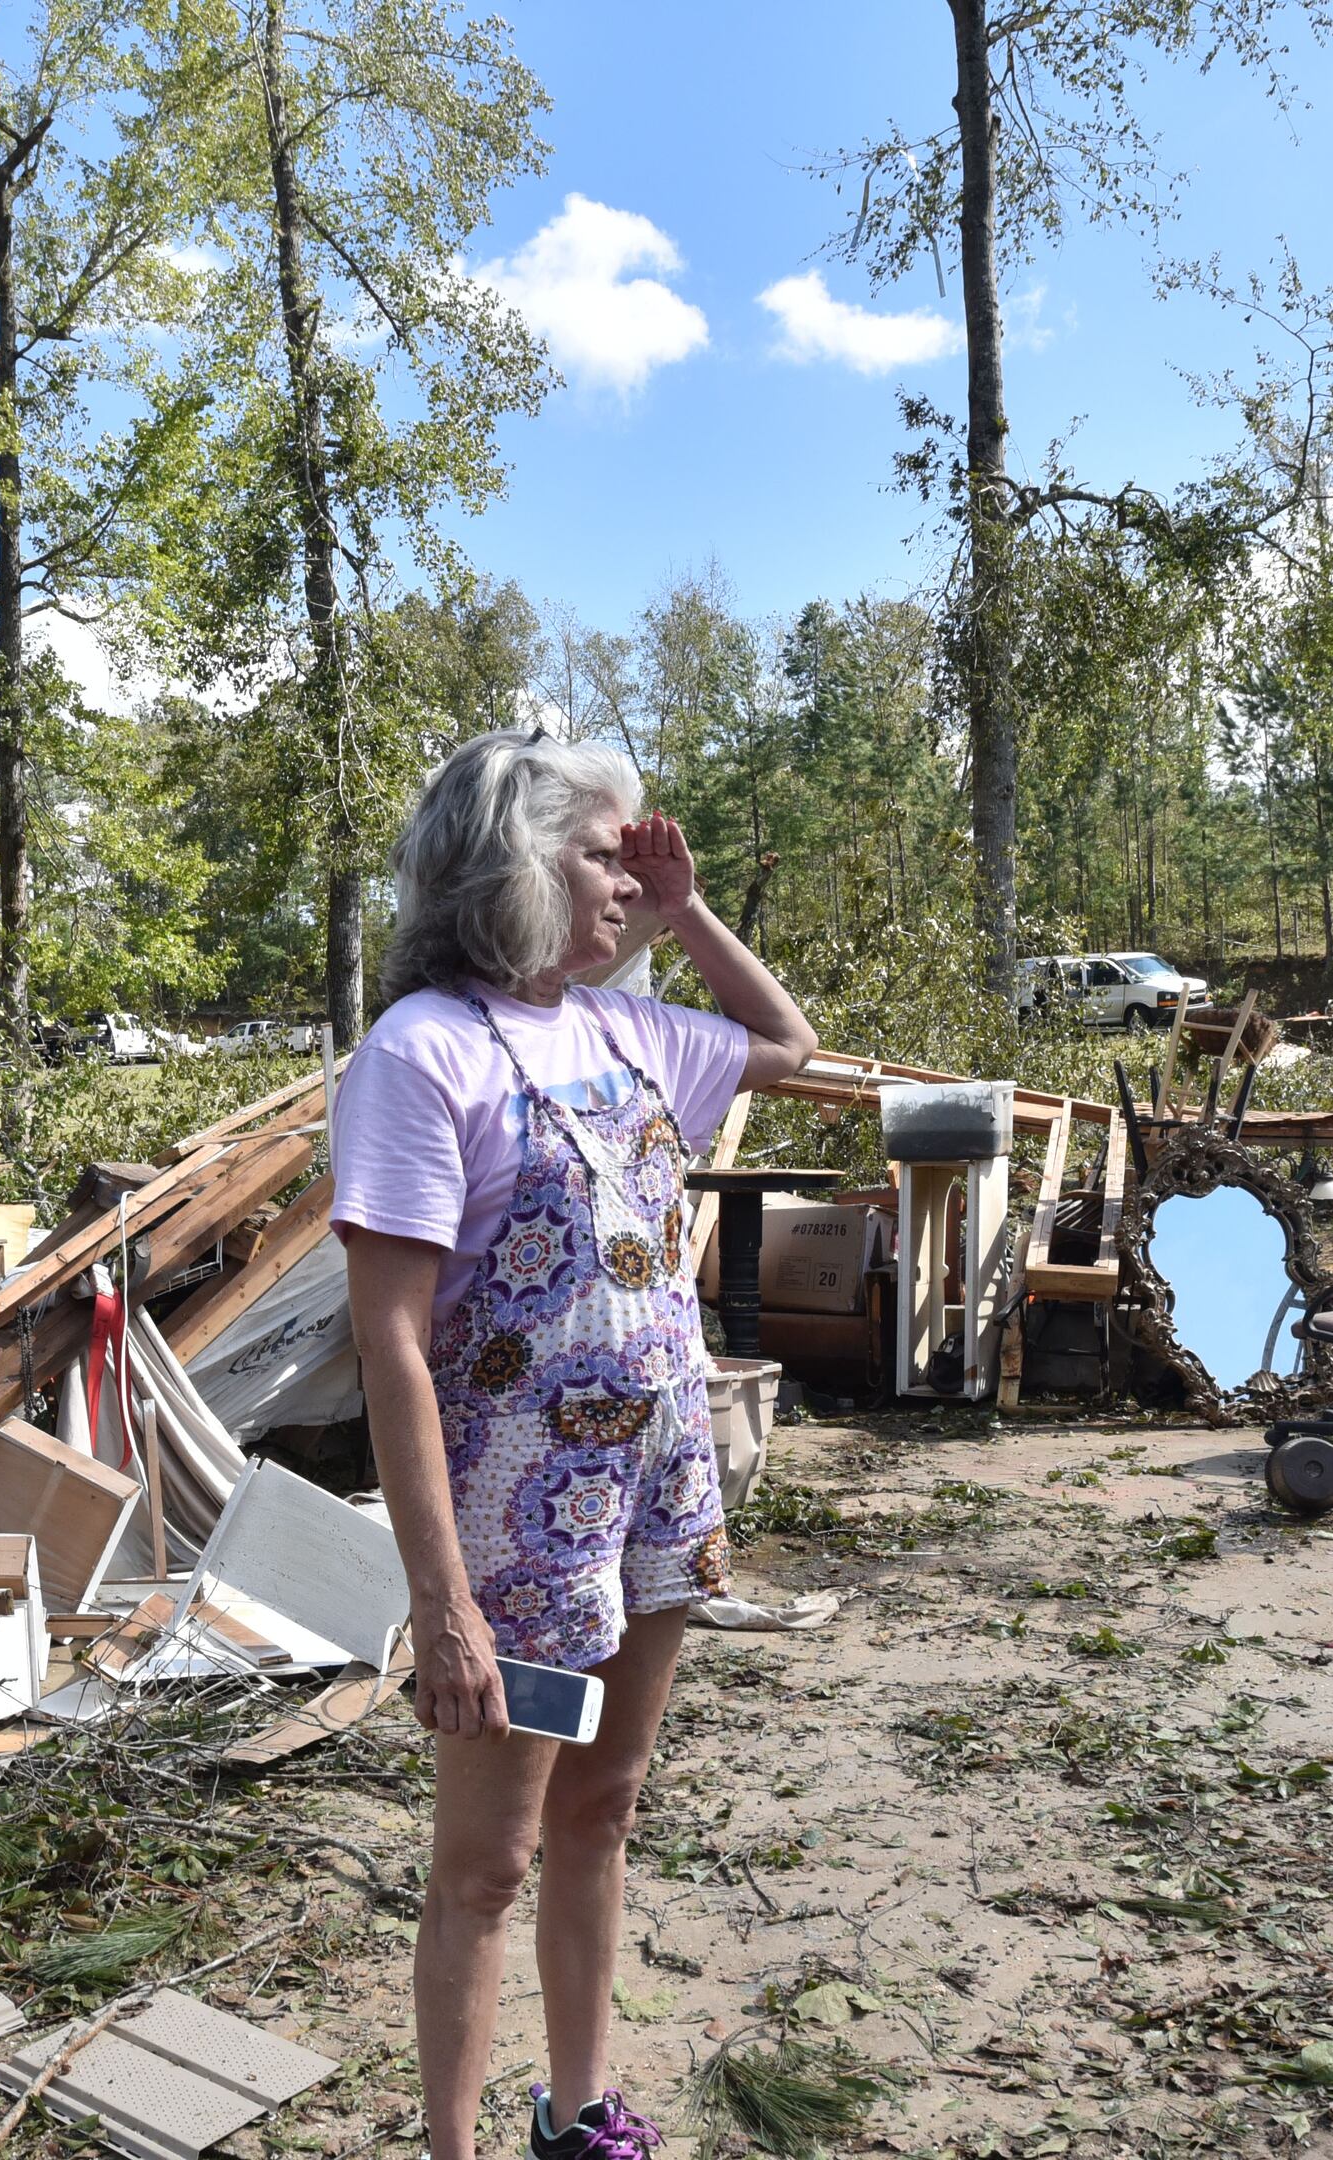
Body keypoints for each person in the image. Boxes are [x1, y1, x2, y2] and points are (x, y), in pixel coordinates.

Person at [334, 729, 818, 2160]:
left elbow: (790, 1046)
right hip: (528, 1535)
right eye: (610, 852)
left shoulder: (628, 1031)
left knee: (603, 1807)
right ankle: (453, 2147)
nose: (630, 876)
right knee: (488, 1865)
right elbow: (394, 1348)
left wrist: (687, 912)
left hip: (657, 1504)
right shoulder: (420, 1055)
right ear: (516, 860)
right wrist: (445, 1605)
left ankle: (581, 2108)